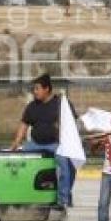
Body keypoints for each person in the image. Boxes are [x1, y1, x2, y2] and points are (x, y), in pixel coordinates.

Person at [10, 74, 77, 209]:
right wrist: (16, 143)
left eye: (37, 89)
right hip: (35, 144)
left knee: (65, 166)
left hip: (56, 145)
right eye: (34, 89)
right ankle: (19, 195)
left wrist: (63, 129)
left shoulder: (61, 104)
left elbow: (72, 122)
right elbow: (24, 124)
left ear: (47, 89)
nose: (34, 92)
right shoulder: (32, 106)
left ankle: (63, 198)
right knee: (17, 161)